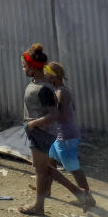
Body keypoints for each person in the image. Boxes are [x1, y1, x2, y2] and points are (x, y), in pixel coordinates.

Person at [18, 43, 85, 216]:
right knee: (44, 168)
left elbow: (55, 115)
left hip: (42, 133)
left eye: (24, 66)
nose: (23, 69)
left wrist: (33, 124)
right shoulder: (38, 84)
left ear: (33, 68)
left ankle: (39, 207)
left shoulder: (44, 89)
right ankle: (79, 193)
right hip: (39, 132)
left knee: (42, 169)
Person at [40, 62, 96, 210]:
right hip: (61, 135)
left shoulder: (61, 93)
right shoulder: (61, 90)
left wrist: (44, 119)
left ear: (52, 75)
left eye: (46, 73)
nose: (44, 76)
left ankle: (87, 198)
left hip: (66, 137)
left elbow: (62, 117)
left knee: (74, 169)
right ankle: (46, 189)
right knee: (50, 161)